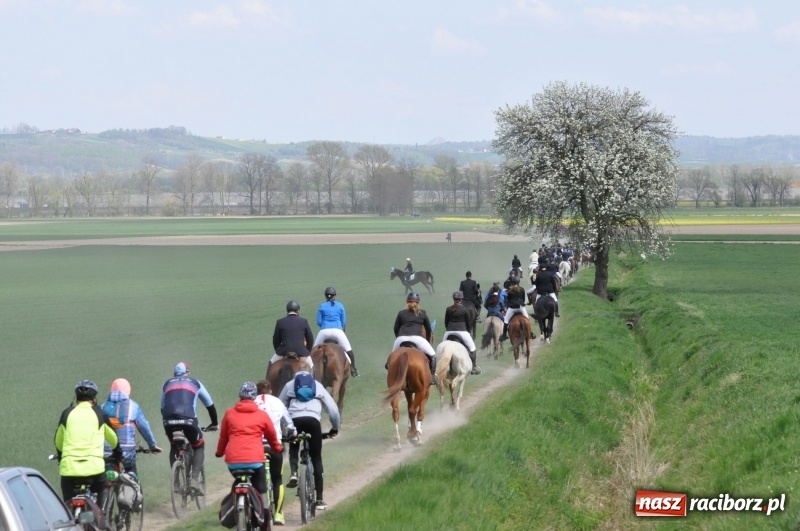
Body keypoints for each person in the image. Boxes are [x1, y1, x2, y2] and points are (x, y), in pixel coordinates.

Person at [216, 382, 283, 530]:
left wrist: (219, 452)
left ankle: (236, 508)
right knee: (261, 489)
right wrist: (278, 448)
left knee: (237, 482)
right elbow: (272, 437)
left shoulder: (229, 413)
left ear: (240, 396)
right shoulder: (262, 415)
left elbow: (223, 438)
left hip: (234, 463)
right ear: (254, 397)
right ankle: (264, 520)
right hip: (255, 461)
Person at [55, 380, 123, 507]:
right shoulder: (99, 413)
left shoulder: (66, 414)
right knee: (102, 489)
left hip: (69, 470)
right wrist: (118, 453)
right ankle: (101, 515)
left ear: (76, 399)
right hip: (94, 470)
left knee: (67, 507)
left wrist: (60, 457)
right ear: (94, 399)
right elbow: (113, 439)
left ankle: (69, 516)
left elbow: (58, 442)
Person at [279, 371, 341, 511]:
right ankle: (319, 499)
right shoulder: (318, 385)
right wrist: (334, 427)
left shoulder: (289, 385)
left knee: (294, 445)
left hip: (295, 421)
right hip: (313, 422)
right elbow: (333, 410)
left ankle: (294, 473)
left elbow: (279, 406)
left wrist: (282, 429)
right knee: (316, 458)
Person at [161, 362, 218, 495]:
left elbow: (162, 407)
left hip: (168, 421)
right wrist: (214, 423)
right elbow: (209, 404)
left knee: (174, 447)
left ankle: (175, 482)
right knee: (199, 446)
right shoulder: (195, 382)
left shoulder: (166, 384)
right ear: (188, 373)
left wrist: (169, 423)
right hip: (189, 420)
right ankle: (194, 480)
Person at [254, 380, 297, 526]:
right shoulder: (278, 402)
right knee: (277, 478)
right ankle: (278, 514)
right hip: (274, 445)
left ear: (256, 392)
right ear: (271, 391)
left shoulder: (252, 402)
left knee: (255, 479)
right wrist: (293, 433)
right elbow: (289, 423)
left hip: (256, 446)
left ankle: (256, 512)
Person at [101, 378, 162, 477]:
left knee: (107, 473)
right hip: (126, 450)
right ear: (127, 391)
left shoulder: (102, 407)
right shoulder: (133, 406)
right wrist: (152, 445)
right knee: (130, 468)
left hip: (106, 451)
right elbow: (144, 426)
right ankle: (133, 480)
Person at [392, 291, 439, 385]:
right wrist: (427, 341)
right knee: (433, 356)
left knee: (392, 357)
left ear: (407, 302)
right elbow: (428, 329)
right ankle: (432, 377)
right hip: (417, 339)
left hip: (401, 339)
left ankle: (391, 370)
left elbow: (396, 328)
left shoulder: (401, 313)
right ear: (418, 302)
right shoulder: (422, 313)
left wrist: (399, 338)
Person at [313, 287, 358, 377]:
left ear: (325, 296)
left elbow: (319, 322)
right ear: (334, 295)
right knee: (349, 350)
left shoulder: (322, 306)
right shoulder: (340, 305)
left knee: (313, 351)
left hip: (324, 332)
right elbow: (343, 321)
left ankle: (310, 371)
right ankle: (353, 369)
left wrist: (325, 326)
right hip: (337, 331)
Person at [270, 300, 315, 374]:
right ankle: (312, 379)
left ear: (287, 311)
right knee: (311, 365)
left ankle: (268, 380)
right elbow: (310, 338)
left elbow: (275, 340)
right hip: (300, 351)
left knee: (272, 363)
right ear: (297, 311)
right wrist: (307, 351)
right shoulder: (303, 321)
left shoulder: (280, 322)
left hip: (284, 350)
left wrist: (279, 351)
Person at [443, 291, 481, 375]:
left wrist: (449, 330)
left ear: (454, 299)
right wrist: (468, 332)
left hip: (449, 332)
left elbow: (446, 322)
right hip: (462, 331)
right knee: (472, 348)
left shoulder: (448, 309)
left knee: (442, 349)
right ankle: (473, 367)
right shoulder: (465, 309)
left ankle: (437, 368)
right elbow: (469, 323)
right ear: (461, 299)